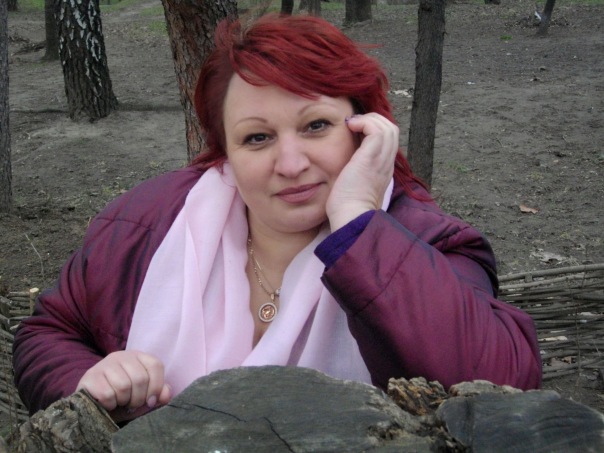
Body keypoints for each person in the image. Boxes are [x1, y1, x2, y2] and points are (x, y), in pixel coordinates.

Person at [13, 13, 542, 423]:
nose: (290, 164)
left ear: (366, 127)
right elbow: (49, 332)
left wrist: (357, 225)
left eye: (316, 125)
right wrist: (88, 381)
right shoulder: (147, 222)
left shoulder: (431, 244)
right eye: (257, 137)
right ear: (225, 152)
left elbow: (501, 386)